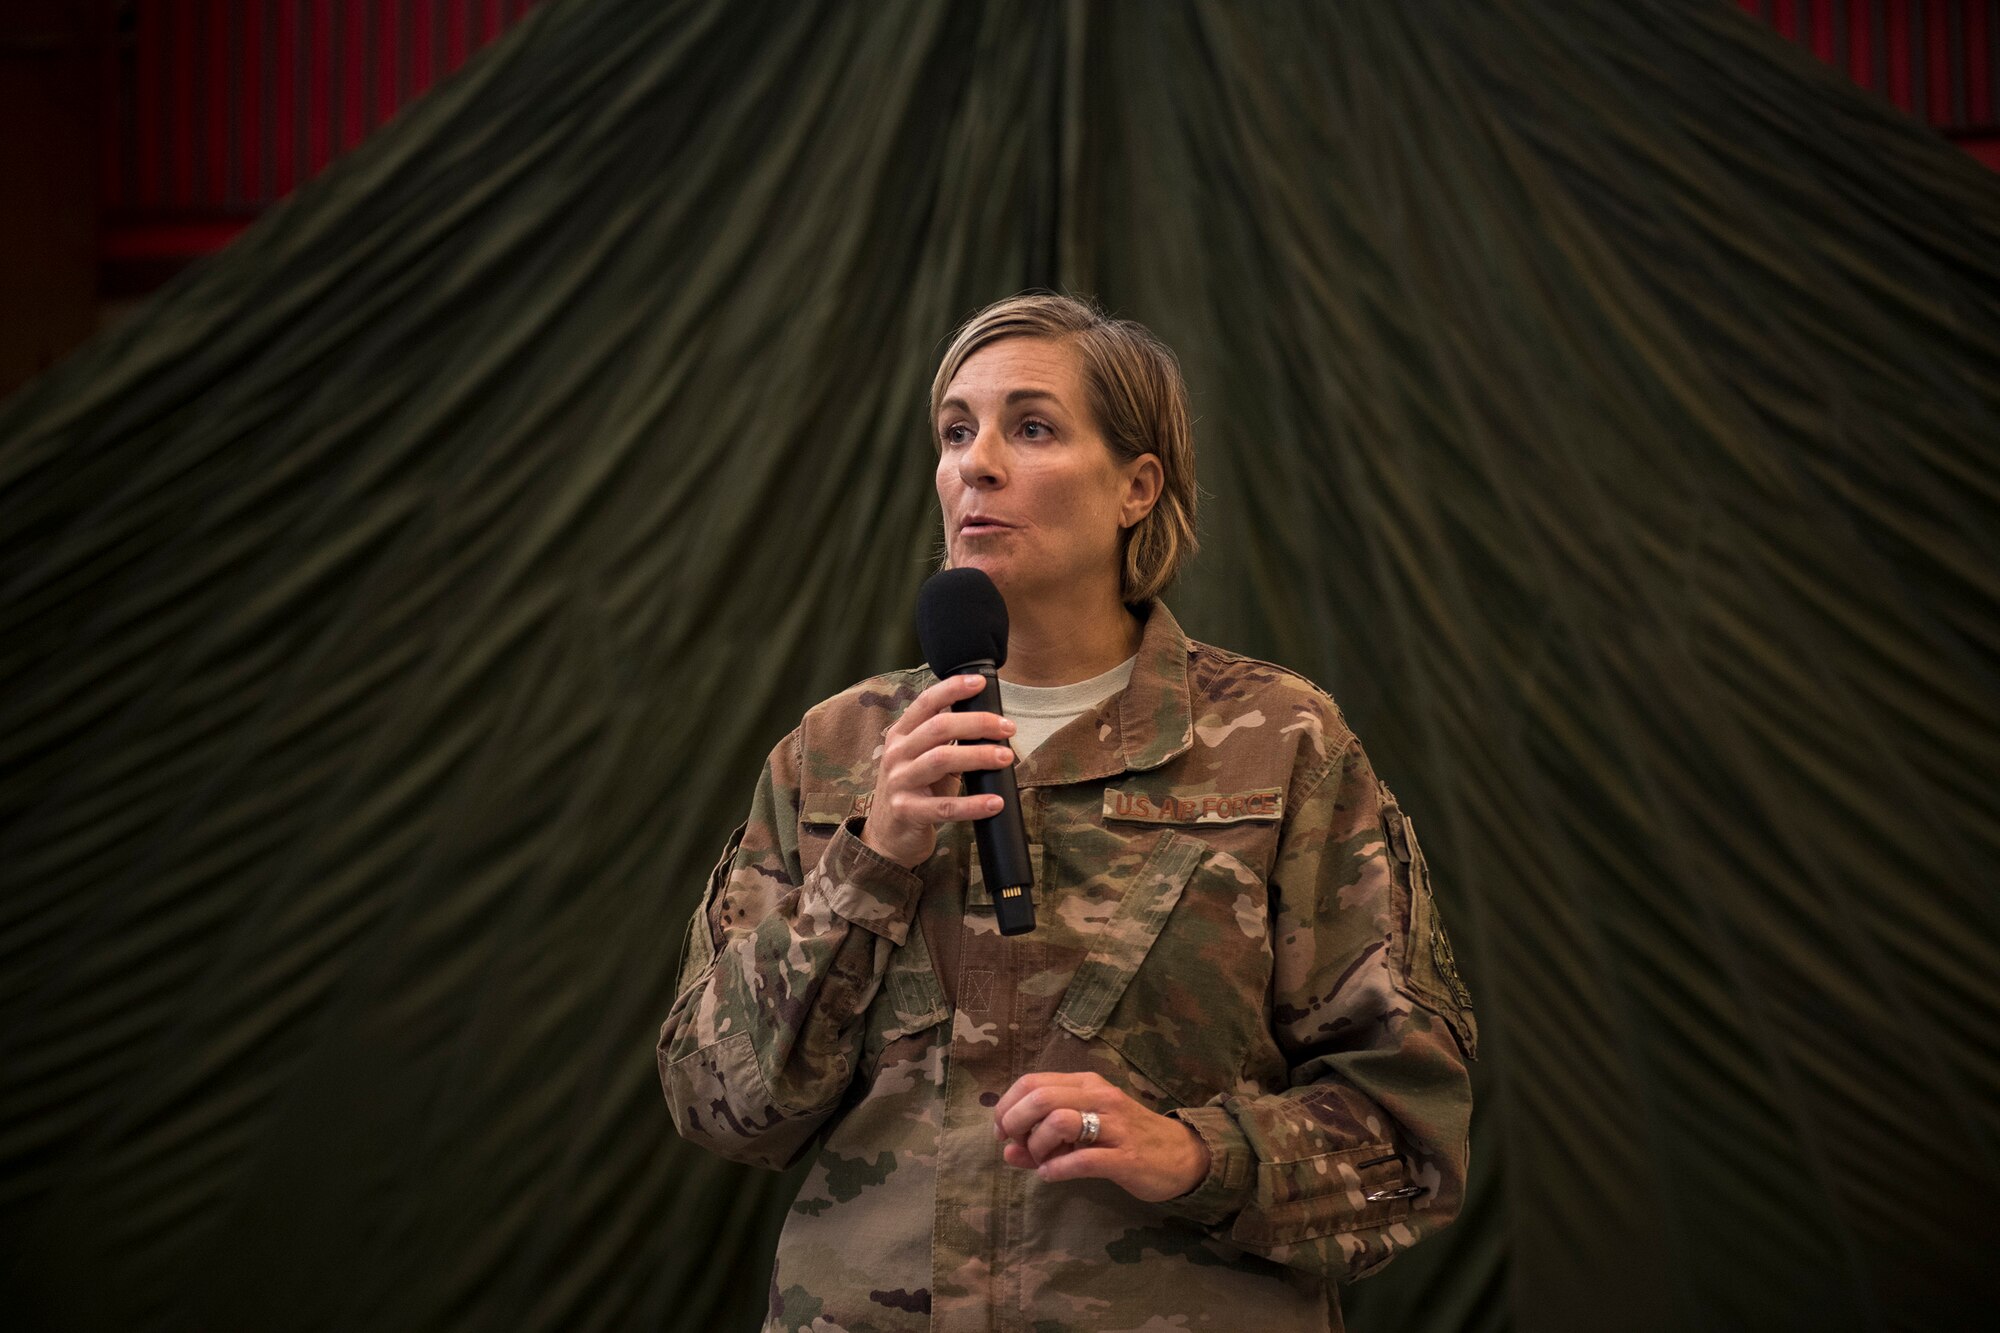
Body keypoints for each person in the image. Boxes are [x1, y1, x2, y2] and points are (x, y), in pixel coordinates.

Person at [658, 292, 1478, 1332]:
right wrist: (873, 857)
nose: (975, 464)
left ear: (1138, 486)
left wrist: (1196, 1155)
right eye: (955, 431)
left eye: (1030, 427)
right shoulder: (835, 752)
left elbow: (1409, 1142)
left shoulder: (1283, 745)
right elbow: (717, 1105)